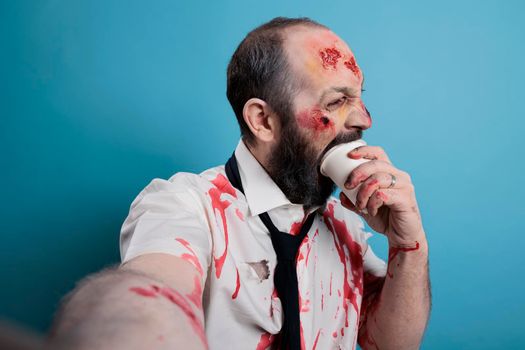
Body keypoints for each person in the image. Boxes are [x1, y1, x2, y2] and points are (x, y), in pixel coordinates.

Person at [47, 17, 430, 350]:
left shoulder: (345, 226)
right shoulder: (182, 206)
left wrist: (407, 246)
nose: (363, 119)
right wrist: (125, 317)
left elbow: (391, 342)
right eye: (336, 102)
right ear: (262, 121)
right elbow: (154, 289)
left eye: (360, 97)